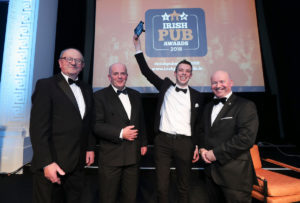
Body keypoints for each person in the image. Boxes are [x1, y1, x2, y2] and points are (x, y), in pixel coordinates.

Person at [133, 35, 205, 203]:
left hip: (185, 143)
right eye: (181, 70)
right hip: (163, 142)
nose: (184, 73)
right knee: (161, 185)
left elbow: (199, 124)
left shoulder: (198, 96)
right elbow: (146, 71)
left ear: (191, 75)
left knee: (184, 184)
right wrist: (137, 47)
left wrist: (197, 145)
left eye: (187, 71)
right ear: (175, 73)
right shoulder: (165, 86)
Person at [29, 48, 95, 203]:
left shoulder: (86, 88)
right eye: (69, 59)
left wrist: (90, 147)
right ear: (60, 62)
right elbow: (38, 129)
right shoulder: (46, 85)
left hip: (77, 164)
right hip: (53, 163)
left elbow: (88, 121)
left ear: (83, 66)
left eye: (78, 60)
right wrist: (46, 162)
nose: (73, 62)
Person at [198, 70, 258, 203]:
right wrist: (202, 149)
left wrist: (215, 153)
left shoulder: (245, 105)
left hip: (235, 175)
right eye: (214, 82)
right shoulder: (208, 107)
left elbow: (246, 139)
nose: (218, 85)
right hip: (211, 173)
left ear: (231, 83)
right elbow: (202, 132)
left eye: (221, 81)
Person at [93, 63, 148, 203]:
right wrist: (120, 133)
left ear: (127, 76)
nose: (119, 76)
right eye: (116, 74)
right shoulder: (99, 96)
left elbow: (141, 121)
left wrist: (143, 142)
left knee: (131, 197)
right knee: (108, 198)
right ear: (109, 77)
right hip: (111, 156)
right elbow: (96, 125)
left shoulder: (136, 95)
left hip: (133, 155)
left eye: (122, 73)